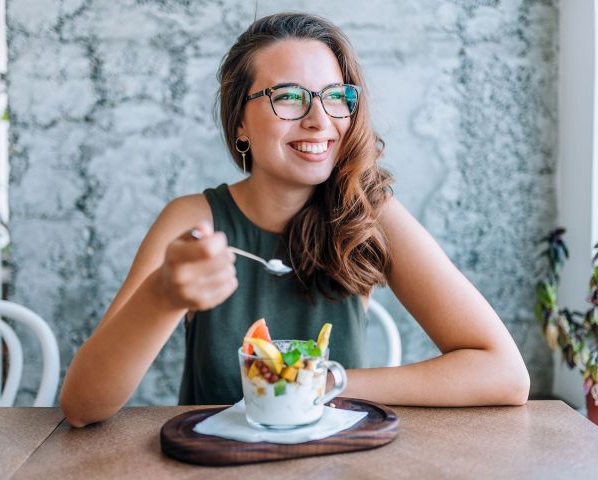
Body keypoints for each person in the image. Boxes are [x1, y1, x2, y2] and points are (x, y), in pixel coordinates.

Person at [61, 12, 530, 427]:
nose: (318, 119)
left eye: (335, 96)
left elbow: (504, 374)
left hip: (337, 464)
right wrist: (162, 296)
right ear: (239, 121)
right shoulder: (194, 218)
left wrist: (329, 381)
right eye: (288, 97)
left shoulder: (368, 212)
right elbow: (83, 406)